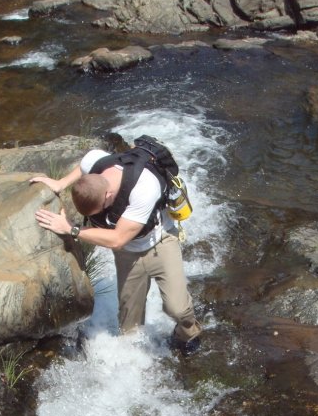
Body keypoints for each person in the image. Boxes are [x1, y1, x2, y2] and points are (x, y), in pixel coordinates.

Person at [31, 146, 202, 354]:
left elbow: (117, 240)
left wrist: (71, 229)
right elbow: (84, 163)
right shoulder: (95, 163)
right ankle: (134, 359)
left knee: (178, 309)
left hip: (159, 242)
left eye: (102, 209)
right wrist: (60, 183)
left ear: (109, 194)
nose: (103, 214)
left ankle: (187, 333)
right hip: (128, 251)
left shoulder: (145, 187)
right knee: (129, 321)